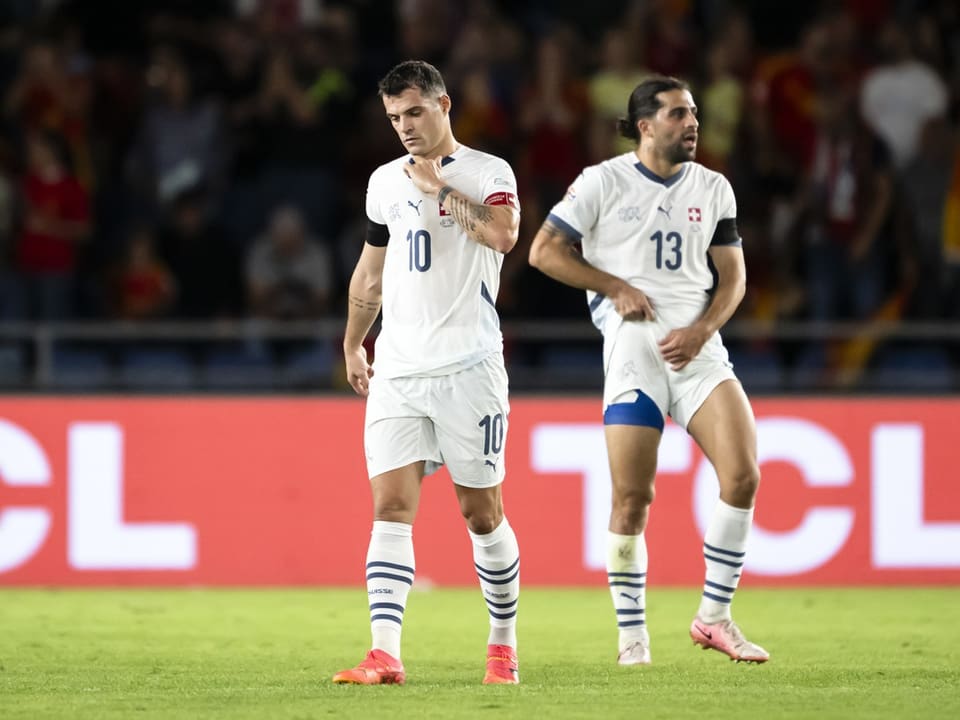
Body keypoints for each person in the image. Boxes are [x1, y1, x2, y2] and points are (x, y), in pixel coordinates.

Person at [528, 75, 769, 666]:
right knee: (633, 498)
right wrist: (614, 286)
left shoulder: (714, 187)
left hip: (698, 350)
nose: (693, 123)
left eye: (694, 113)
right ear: (645, 125)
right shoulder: (601, 182)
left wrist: (704, 329)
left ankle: (714, 618)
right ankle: (632, 637)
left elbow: (733, 277)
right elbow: (542, 252)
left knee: (743, 476)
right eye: (679, 114)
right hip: (634, 351)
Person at [333, 60, 522, 686]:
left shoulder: (487, 171)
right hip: (400, 371)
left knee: (481, 513)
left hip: (469, 366)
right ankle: (384, 653)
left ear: (445, 105)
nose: (405, 128)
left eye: (414, 112)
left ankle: (502, 642)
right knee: (390, 506)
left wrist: (437, 188)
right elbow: (370, 271)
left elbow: (501, 235)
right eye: (394, 118)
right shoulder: (383, 182)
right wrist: (356, 340)